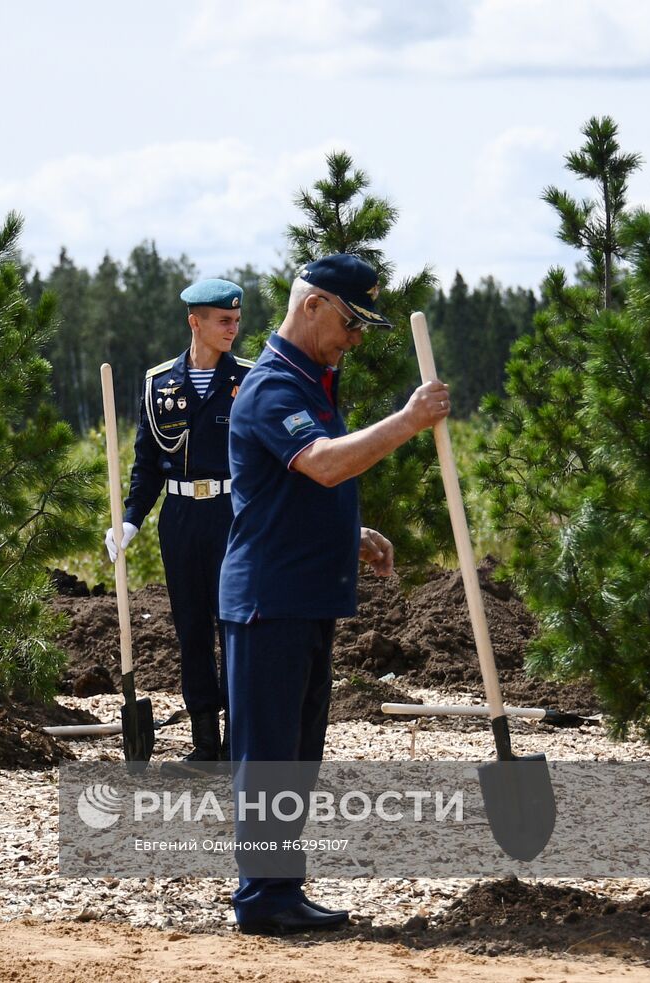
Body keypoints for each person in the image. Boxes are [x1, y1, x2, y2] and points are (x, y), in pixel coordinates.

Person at [219, 254, 449, 934]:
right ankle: (262, 898)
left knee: (296, 753)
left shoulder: (312, 380)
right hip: (269, 599)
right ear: (313, 304)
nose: (354, 339)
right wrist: (407, 420)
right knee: (268, 755)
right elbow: (320, 463)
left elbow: (286, 489)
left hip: (305, 593)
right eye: (350, 322)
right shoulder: (271, 386)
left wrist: (352, 531)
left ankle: (282, 889)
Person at [106, 279, 253, 763]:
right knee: (191, 629)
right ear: (196, 322)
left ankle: (238, 741)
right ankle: (205, 742)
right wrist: (130, 519)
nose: (233, 328)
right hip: (181, 516)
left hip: (233, 515)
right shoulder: (159, 385)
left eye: (236, 319)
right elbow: (146, 463)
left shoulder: (249, 380)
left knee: (233, 626)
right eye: (223, 320)